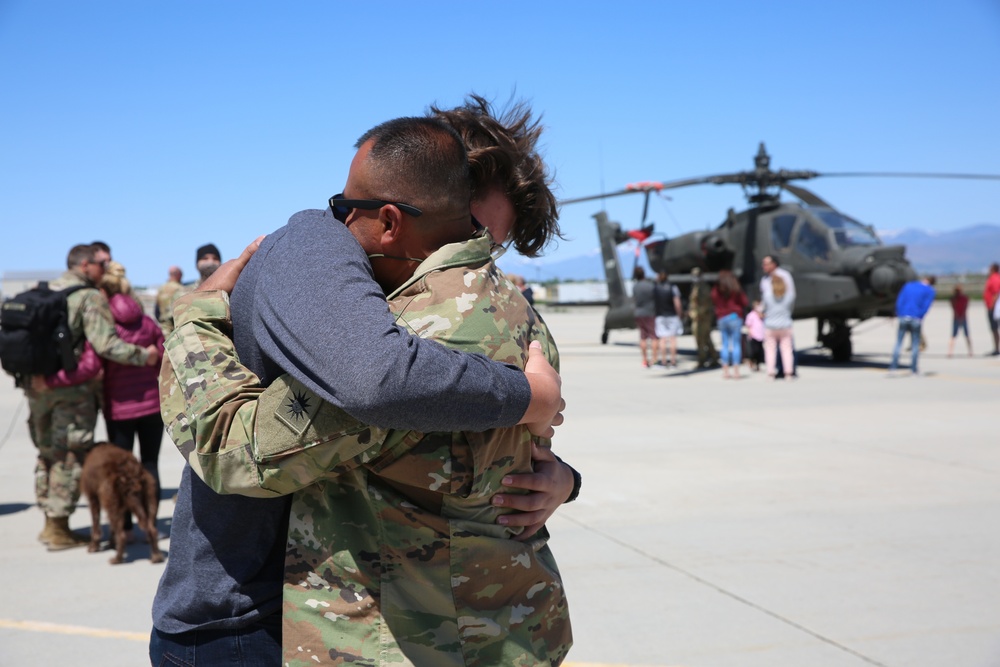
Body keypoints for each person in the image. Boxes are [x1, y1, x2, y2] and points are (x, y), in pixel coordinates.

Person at [150, 106, 574, 665]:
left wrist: (195, 315)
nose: (473, 260)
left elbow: (232, 452)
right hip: (505, 634)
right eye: (473, 229)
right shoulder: (502, 317)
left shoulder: (417, 335)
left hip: (395, 636)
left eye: (487, 242)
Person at [24, 244, 158, 551]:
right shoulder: (88, 296)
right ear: (85, 266)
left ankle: (50, 521)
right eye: (101, 263)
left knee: (46, 452)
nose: (105, 269)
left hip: (38, 388)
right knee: (69, 454)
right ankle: (59, 527)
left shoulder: (44, 291)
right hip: (72, 392)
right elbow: (106, 345)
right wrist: (144, 356)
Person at [100, 261, 165, 538]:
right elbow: (162, 356)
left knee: (121, 470)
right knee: (150, 464)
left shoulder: (107, 328)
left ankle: (123, 525)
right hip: (152, 405)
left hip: (119, 408)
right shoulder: (148, 322)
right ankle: (151, 523)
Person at [158, 244, 223, 335]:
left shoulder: (227, 292)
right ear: (197, 264)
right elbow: (167, 325)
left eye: (215, 258)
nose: (210, 262)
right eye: (205, 258)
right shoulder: (182, 294)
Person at [889, 276, 937, 375]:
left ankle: (893, 368)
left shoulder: (908, 286)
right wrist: (920, 316)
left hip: (903, 317)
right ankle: (914, 369)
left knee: (898, 343)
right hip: (916, 318)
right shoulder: (930, 291)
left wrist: (900, 313)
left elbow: (900, 300)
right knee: (915, 344)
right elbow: (926, 306)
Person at [759, 255, 797, 379]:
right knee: (787, 349)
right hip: (785, 321)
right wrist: (786, 313)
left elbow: (763, 304)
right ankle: (788, 372)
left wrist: (762, 312)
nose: (764, 266)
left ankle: (771, 372)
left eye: (766, 263)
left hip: (770, 322)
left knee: (770, 349)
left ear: (774, 264)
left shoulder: (784, 275)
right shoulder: (764, 279)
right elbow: (791, 298)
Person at [710, 269, 748, 379]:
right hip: (735, 317)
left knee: (725, 344)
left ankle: (725, 370)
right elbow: (744, 302)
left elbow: (713, 299)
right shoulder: (735, 288)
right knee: (736, 344)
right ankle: (736, 370)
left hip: (722, 318)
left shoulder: (716, 290)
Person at [688, 267, 718, 368]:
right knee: (702, 339)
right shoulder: (696, 287)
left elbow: (705, 304)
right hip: (698, 317)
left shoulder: (704, 288)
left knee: (703, 339)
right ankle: (711, 358)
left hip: (702, 318)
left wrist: (696, 314)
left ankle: (704, 359)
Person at [653, 270, 682, 368]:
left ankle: (664, 361)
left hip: (660, 316)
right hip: (672, 315)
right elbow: (677, 302)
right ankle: (673, 362)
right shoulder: (673, 287)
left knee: (662, 339)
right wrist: (679, 314)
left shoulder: (655, 288)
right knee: (673, 339)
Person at [631, 266, 656, 368]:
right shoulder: (650, 286)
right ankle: (654, 359)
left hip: (639, 313)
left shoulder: (635, 287)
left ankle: (644, 360)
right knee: (653, 337)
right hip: (650, 313)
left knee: (643, 337)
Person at [154, 265, 184, 334]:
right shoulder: (180, 289)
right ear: (179, 275)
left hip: (164, 327)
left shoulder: (161, 288)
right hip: (177, 327)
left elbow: (156, 310)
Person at [947, 285, 972, 358]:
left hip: (960, 318)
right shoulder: (955, 299)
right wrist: (960, 316)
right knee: (955, 335)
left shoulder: (962, 298)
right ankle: (950, 351)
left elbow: (964, 308)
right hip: (959, 317)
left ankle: (970, 351)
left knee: (963, 335)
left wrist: (960, 316)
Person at [744, 299, 765, 372]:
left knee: (760, 351)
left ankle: (758, 365)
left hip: (761, 336)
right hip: (753, 336)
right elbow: (748, 325)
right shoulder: (751, 315)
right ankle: (751, 361)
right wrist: (750, 333)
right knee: (753, 352)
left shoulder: (762, 315)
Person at [984, 262, 1000, 356]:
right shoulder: (994, 278)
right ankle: (996, 348)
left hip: (994, 308)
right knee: (994, 329)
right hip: (993, 307)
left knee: (994, 328)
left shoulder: (994, 279)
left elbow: (995, 293)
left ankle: (996, 348)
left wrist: (992, 306)